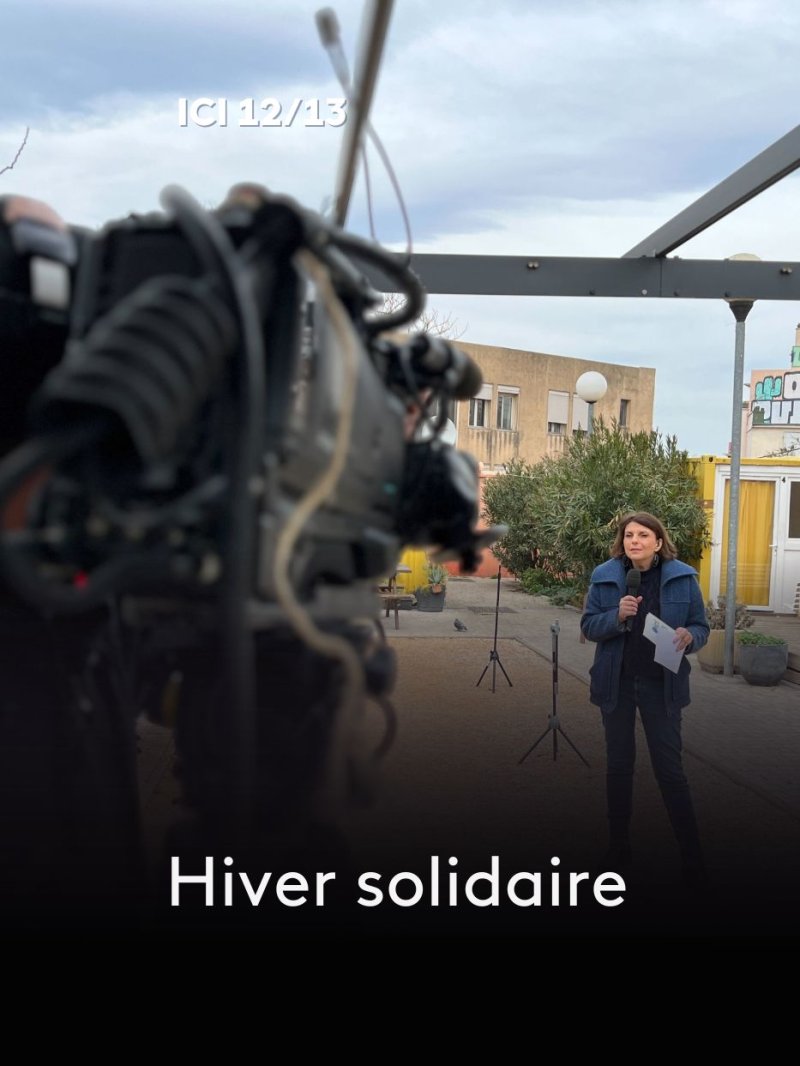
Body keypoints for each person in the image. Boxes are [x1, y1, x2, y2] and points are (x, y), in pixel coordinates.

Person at [580, 511, 710, 887]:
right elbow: (588, 626)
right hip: (617, 683)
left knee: (670, 772)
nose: (633, 541)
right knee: (619, 766)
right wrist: (615, 616)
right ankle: (619, 847)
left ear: (657, 541)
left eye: (642, 535)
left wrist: (691, 636)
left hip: (661, 685)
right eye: (628, 535)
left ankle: (692, 856)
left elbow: (701, 626)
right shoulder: (605, 576)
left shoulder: (683, 577)